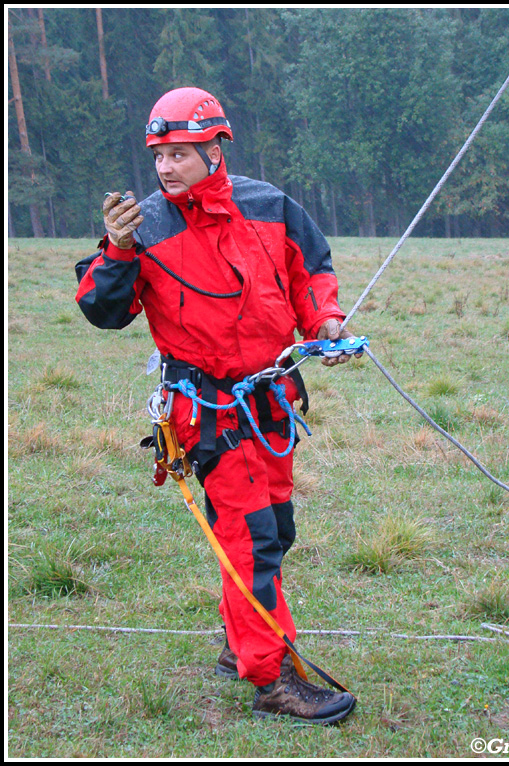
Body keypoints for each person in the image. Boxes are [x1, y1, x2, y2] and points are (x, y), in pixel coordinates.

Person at [75, 86, 359, 725]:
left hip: (273, 402)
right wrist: (117, 251)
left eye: (178, 153)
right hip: (207, 412)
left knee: (274, 532)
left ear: (214, 147)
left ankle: (239, 644)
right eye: (158, 156)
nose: (166, 168)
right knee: (251, 540)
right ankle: (272, 678)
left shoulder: (269, 205)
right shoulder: (141, 225)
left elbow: (311, 271)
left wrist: (328, 323)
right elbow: (102, 309)